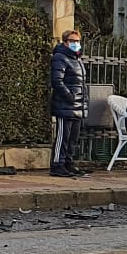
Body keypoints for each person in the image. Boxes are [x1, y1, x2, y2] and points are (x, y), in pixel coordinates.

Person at [49, 30, 88, 177]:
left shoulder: (77, 59)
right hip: (65, 104)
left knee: (73, 137)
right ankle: (57, 164)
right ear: (65, 42)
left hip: (78, 104)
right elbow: (57, 81)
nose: (76, 44)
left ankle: (68, 162)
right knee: (63, 136)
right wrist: (70, 96)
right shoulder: (60, 57)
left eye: (77, 41)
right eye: (72, 41)